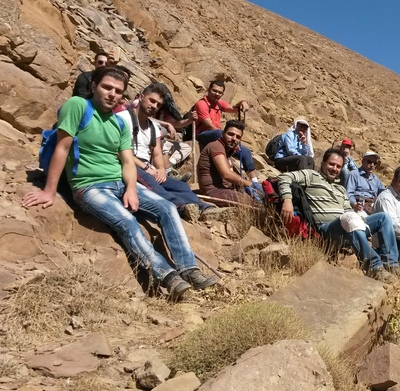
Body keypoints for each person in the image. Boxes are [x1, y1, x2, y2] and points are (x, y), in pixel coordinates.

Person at [22, 66, 217, 301]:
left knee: (166, 207)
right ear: (94, 86)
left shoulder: (120, 123)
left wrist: (132, 189)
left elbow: (126, 161)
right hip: (89, 186)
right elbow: (63, 148)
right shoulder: (78, 106)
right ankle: (168, 276)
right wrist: (49, 191)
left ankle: (190, 270)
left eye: (118, 90)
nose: (112, 94)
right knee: (127, 221)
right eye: (106, 87)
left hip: (119, 182)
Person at [276, 148, 398, 280]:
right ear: (322, 164)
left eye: (338, 166)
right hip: (328, 229)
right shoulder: (311, 176)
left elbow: (348, 210)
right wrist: (287, 200)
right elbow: (284, 177)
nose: (335, 168)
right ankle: (374, 267)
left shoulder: (340, 188)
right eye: (331, 164)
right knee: (349, 217)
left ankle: (391, 265)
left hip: (349, 225)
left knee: (383, 217)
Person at [116, 83, 220, 222]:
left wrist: (160, 169)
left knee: (181, 186)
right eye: (151, 101)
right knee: (150, 183)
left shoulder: (153, 126)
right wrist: (147, 168)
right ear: (141, 97)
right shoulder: (122, 119)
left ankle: (202, 207)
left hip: (148, 167)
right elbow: (119, 151)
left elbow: (157, 153)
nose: (154, 106)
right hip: (127, 164)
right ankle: (182, 206)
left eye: (158, 104)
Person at [193, 80, 254, 175]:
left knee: (245, 151)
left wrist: (242, 102)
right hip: (203, 134)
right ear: (208, 90)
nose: (217, 94)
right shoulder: (202, 104)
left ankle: (254, 181)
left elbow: (233, 108)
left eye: (220, 92)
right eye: (214, 91)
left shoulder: (219, 103)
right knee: (219, 133)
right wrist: (226, 137)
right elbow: (209, 126)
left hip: (217, 134)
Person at [197, 120, 262, 205]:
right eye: (230, 134)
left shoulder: (226, 150)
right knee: (251, 201)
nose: (234, 138)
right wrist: (250, 184)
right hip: (213, 190)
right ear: (223, 133)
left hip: (225, 188)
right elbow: (226, 174)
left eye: (238, 137)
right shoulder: (216, 146)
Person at [345, 151, 385, 216]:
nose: (372, 165)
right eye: (369, 162)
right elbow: (348, 193)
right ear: (363, 161)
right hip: (360, 206)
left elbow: (383, 192)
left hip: (373, 206)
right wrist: (355, 205)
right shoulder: (354, 175)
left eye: (374, 163)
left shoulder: (375, 178)